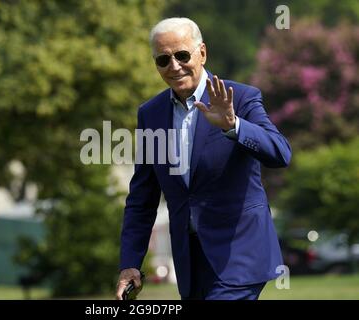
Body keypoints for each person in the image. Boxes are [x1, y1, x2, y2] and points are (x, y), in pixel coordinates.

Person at [115, 17, 291, 300]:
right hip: (191, 259)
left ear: (203, 53)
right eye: (163, 60)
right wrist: (130, 263)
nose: (174, 66)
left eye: (182, 55)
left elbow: (280, 152)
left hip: (240, 254)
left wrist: (233, 126)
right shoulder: (150, 113)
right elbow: (142, 198)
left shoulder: (241, 98)